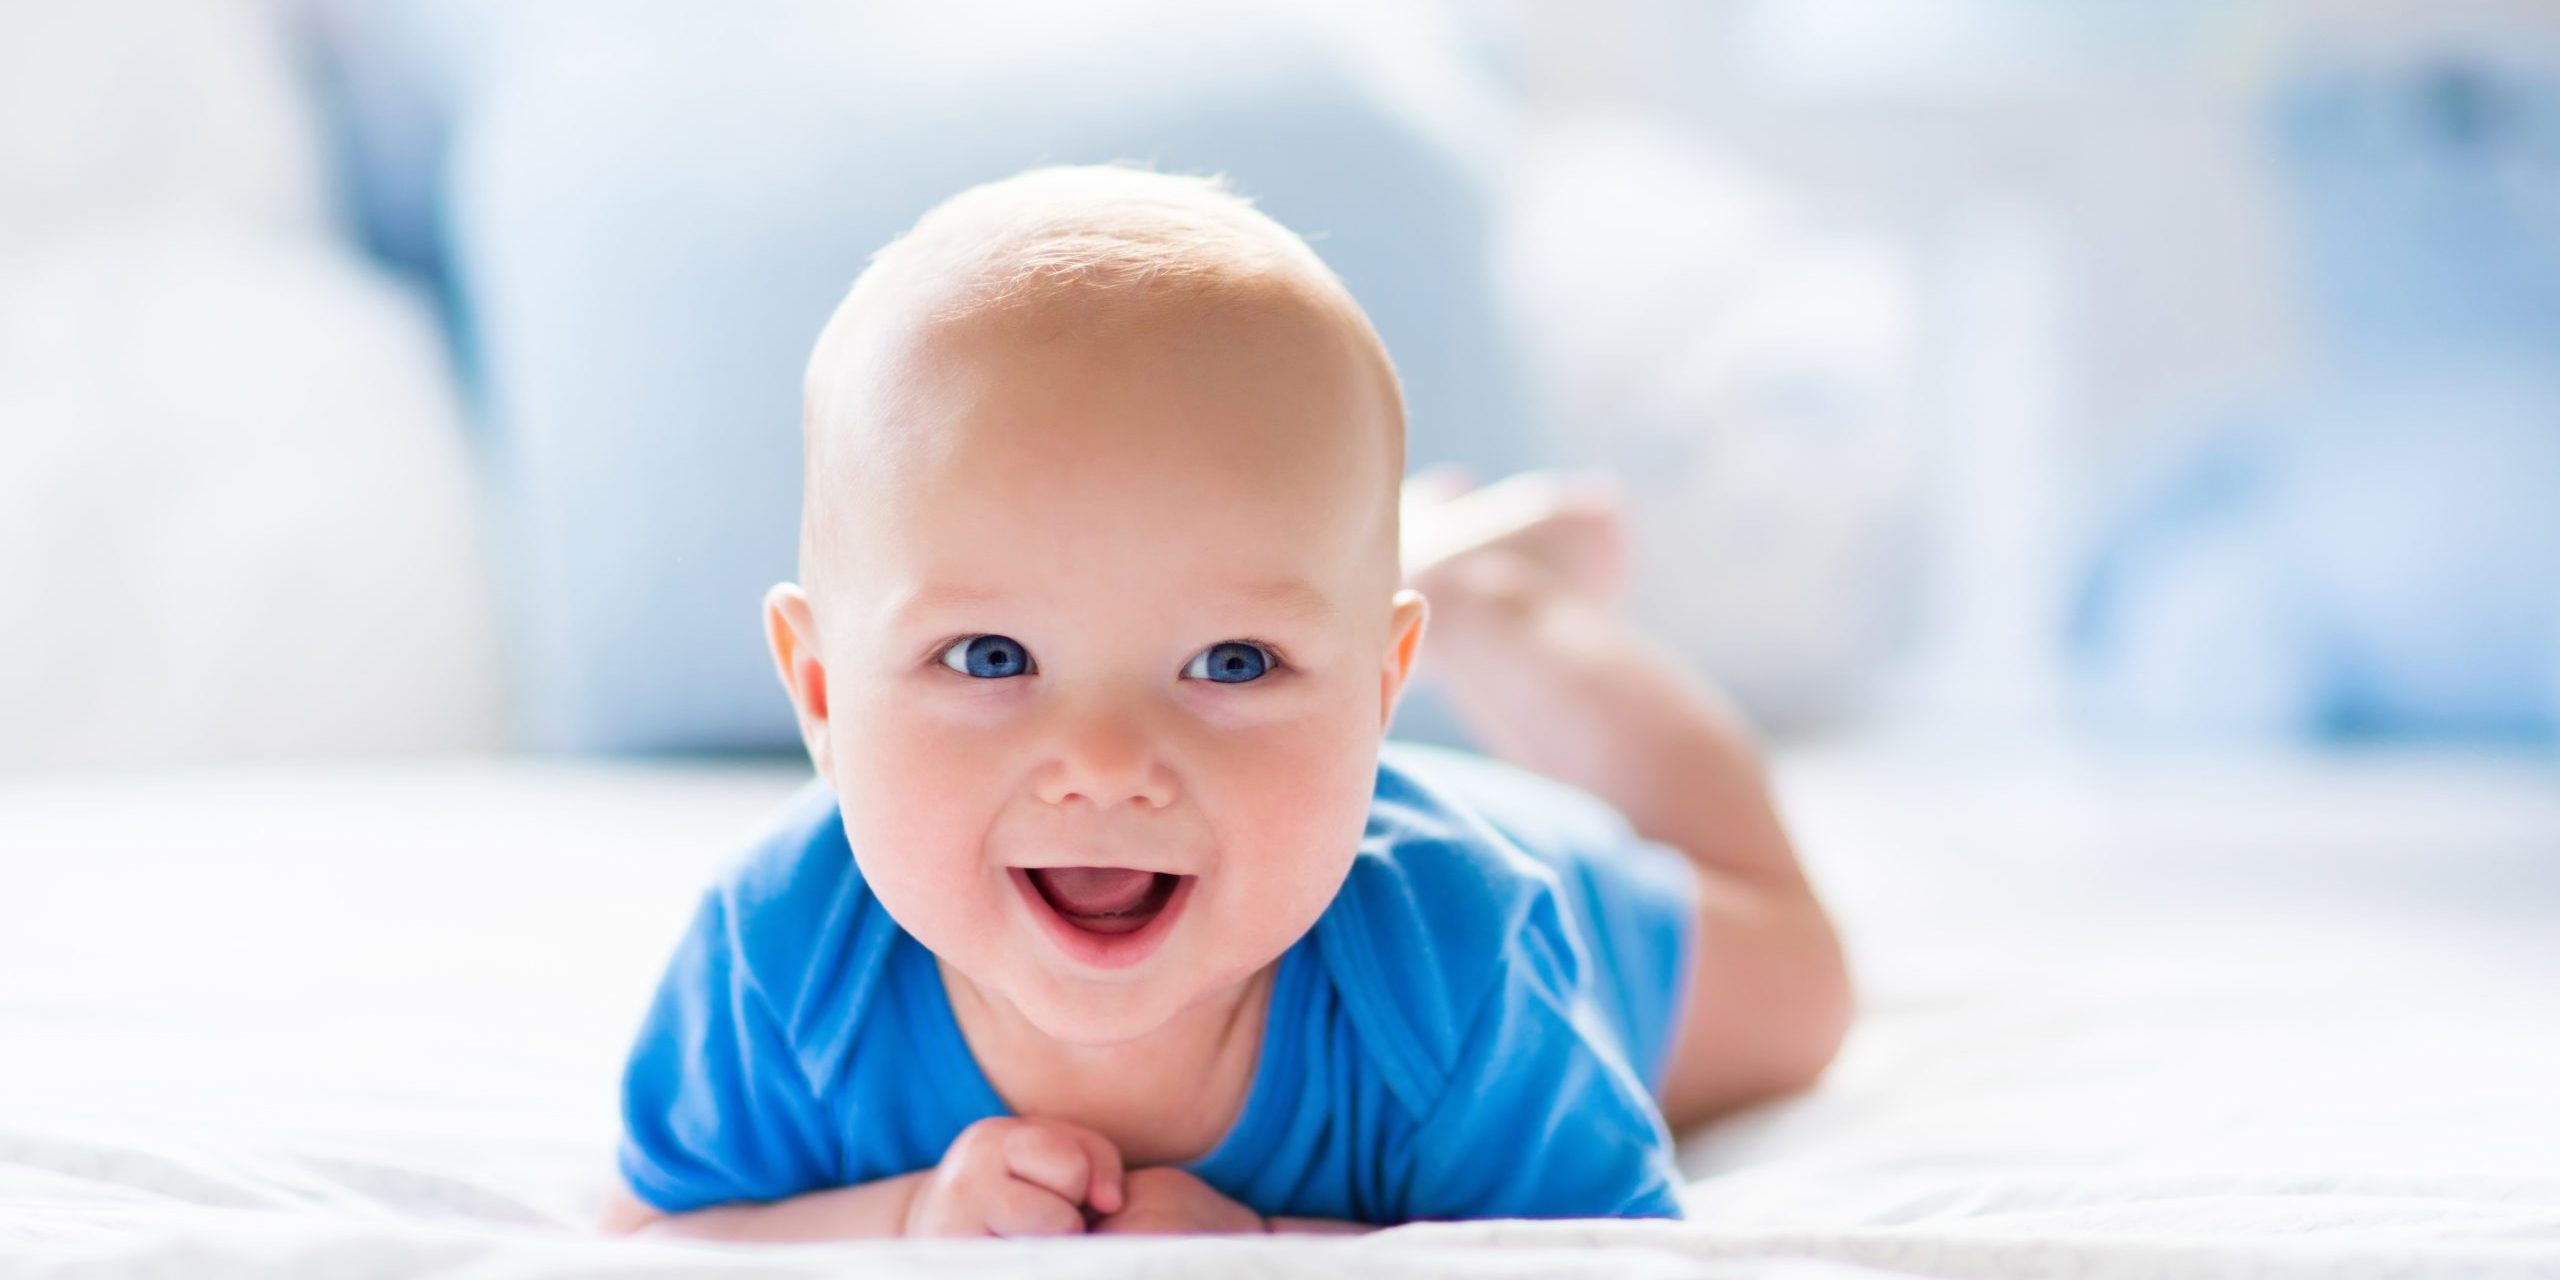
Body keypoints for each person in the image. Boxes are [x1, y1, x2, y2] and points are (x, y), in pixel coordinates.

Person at [599, 165, 1850, 1238]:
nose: (1102, 761)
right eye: (988, 656)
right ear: (820, 690)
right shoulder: (783, 957)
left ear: (1376, 691)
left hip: (1573, 901)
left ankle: (1497, 611)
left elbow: (1598, 1253)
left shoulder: (1458, 963)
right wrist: (909, 1213)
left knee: (1802, 987)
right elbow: (661, 1227)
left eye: (1232, 660)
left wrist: (1273, 1242)